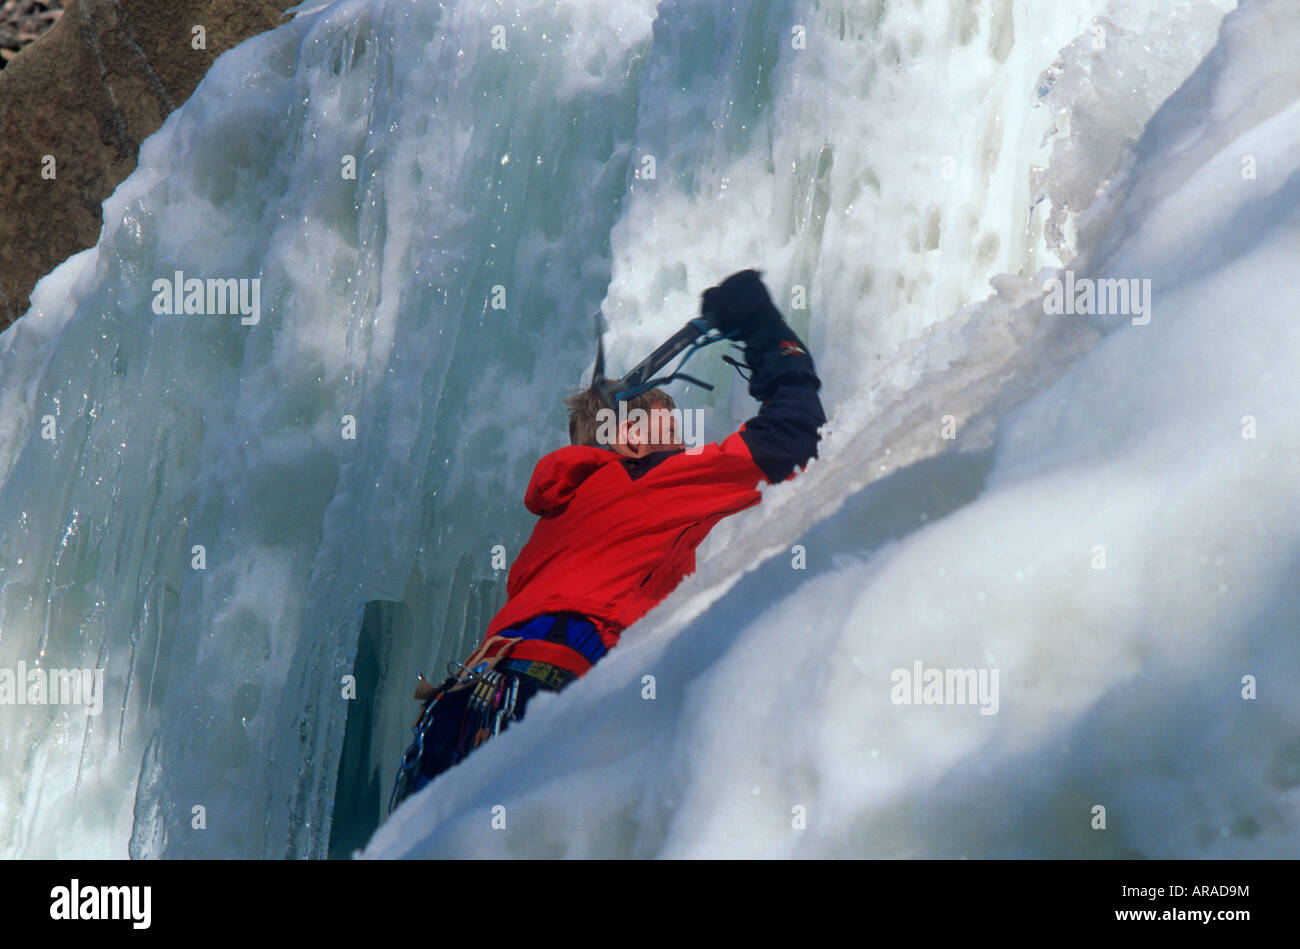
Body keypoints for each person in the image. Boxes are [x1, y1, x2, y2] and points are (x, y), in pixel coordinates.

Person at [393, 269, 826, 803]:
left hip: (456, 717)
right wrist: (765, 330)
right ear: (627, 437)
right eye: (669, 425)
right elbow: (791, 436)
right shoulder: (644, 479)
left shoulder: (560, 514)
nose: (684, 443)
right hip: (543, 700)